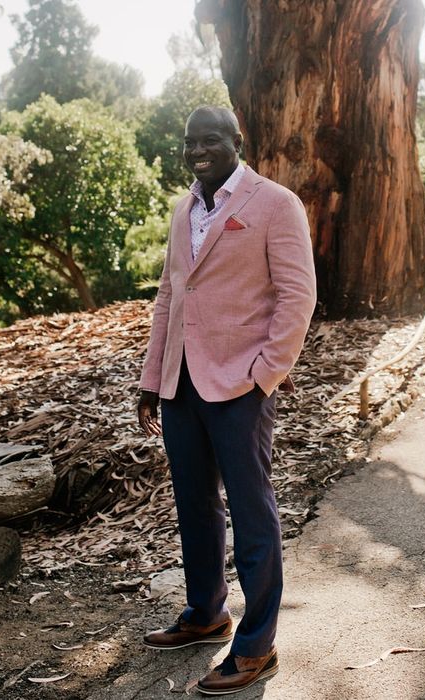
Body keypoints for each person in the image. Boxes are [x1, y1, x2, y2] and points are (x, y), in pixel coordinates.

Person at [137, 105, 317, 695]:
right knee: (194, 505)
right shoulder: (183, 207)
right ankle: (206, 613)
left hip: (241, 385)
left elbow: (297, 297)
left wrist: (265, 374)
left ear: (238, 141)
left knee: (250, 510)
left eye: (210, 139)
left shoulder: (274, 203)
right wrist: (151, 377)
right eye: (190, 141)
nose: (197, 150)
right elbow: (170, 294)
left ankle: (258, 645)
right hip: (180, 384)